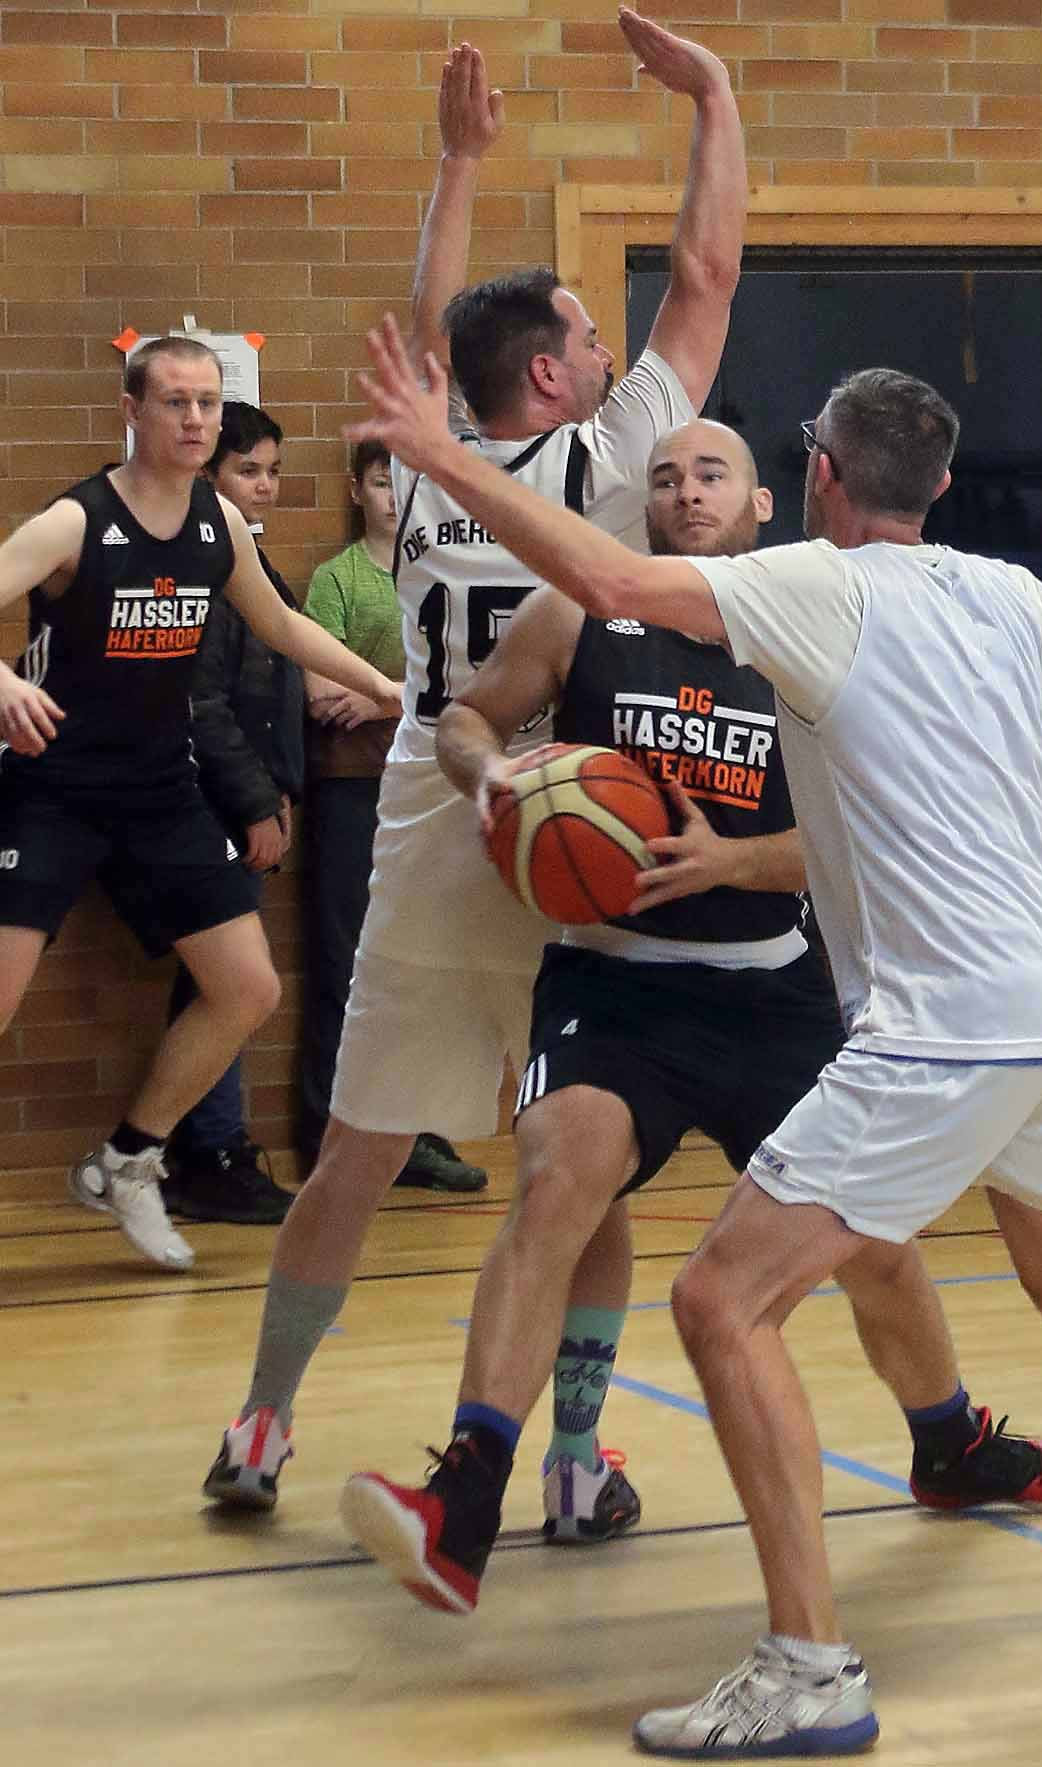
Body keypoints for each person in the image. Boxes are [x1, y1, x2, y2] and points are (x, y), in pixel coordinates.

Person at [339, 332, 1042, 1756]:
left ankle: (807, 1668)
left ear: (818, 476)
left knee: (722, 1302)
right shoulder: (1008, 590)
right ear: (942, 485)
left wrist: (435, 457)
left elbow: (609, 580)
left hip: (941, 1022)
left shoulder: (813, 583)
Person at [201, 11, 747, 1509]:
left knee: (355, 1156)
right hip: (582, 831)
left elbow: (431, 328)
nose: (609, 348)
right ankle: (569, 1460)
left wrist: (455, 163)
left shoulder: (429, 463)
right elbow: (705, 277)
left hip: (436, 816)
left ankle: (259, 1427)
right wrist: (712, 98)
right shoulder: (610, 469)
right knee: (581, 1169)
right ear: (559, 380)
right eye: (591, 338)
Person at [0, 335, 402, 1273]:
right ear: (132, 410)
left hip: (159, 790)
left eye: (207, 403)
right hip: (51, 788)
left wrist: (385, 686)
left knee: (248, 987)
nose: (193, 419)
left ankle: (127, 1160)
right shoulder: (75, 520)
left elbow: (281, 622)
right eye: (174, 401)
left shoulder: (218, 521)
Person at [300, 438, 485, 1192]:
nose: (392, 497)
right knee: (346, 960)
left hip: (432, 785)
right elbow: (320, 694)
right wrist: (409, 693)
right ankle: (329, 1133)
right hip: (350, 790)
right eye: (382, 482)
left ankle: (421, 1133)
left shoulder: (445, 569)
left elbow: (467, 683)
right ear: (358, 489)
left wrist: (380, 697)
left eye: (403, 483)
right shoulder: (336, 579)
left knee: (430, 963)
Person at [162, 399, 302, 1226]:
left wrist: (280, 786)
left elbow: (269, 690)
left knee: (220, 982)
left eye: (273, 472)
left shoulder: (250, 561)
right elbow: (203, 704)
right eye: (248, 470)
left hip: (242, 796)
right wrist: (253, 801)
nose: (265, 486)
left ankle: (204, 1148)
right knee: (227, 983)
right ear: (209, 478)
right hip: (207, 805)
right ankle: (209, 1151)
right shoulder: (206, 571)